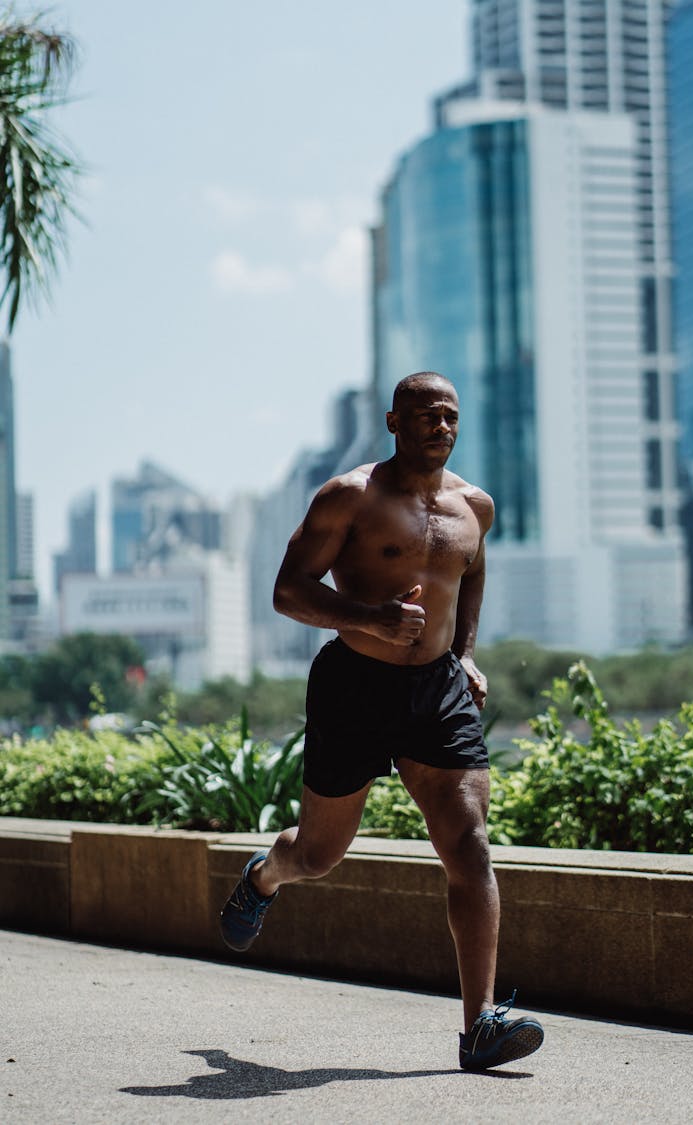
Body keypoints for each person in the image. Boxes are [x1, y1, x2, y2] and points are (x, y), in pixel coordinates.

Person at [221, 371, 544, 1071]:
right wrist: (370, 619)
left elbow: (473, 572)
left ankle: (479, 1025)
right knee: (317, 855)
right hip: (353, 686)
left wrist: (463, 656)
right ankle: (263, 876)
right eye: (427, 415)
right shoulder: (350, 496)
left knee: (471, 845)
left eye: (452, 416)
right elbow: (286, 591)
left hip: (437, 693)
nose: (442, 427)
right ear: (394, 421)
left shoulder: (475, 506)